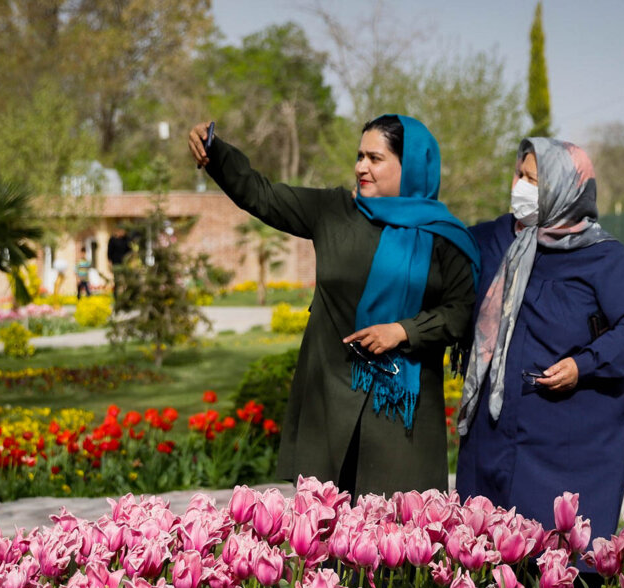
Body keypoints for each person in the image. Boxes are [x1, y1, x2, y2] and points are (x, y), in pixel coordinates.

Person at [188, 114, 479, 497]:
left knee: (397, 538)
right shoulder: (334, 212)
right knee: (326, 536)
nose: (361, 167)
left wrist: (404, 331)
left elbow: (460, 312)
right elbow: (262, 194)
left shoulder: (444, 237)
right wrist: (216, 152)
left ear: (409, 166)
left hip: (401, 414)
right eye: (360, 156)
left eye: (375, 158)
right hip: (329, 398)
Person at [455, 137, 624, 575]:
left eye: (534, 179)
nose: (521, 187)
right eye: (520, 175)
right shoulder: (496, 240)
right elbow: (441, 246)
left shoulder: (601, 256)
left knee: (559, 562)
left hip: (567, 437)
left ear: (566, 190)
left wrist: (583, 364)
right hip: (495, 430)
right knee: (489, 555)